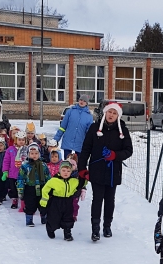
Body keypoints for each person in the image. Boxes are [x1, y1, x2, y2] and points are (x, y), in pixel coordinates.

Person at [78, 101, 133, 242]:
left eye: (114, 113)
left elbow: (128, 150)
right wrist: (82, 168)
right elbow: (85, 149)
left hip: (113, 171)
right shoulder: (94, 128)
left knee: (110, 200)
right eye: (109, 112)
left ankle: (107, 225)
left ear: (117, 116)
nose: (111, 115)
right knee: (97, 199)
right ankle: (95, 228)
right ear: (105, 112)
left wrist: (115, 155)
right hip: (96, 170)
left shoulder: (123, 131)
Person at [40, 159, 83, 241]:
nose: (66, 172)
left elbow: (81, 183)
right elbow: (45, 190)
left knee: (68, 218)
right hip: (56, 202)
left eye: (68, 171)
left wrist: (84, 177)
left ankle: (67, 233)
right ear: (59, 170)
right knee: (54, 218)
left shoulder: (74, 181)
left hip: (68, 201)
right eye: (63, 170)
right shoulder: (53, 180)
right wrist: (44, 202)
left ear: (71, 172)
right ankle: (51, 229)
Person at [17, 142, 50, 227]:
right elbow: (21, 178)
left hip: (42, 187)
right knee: (30, 205)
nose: (34, 155)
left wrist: (49, 187)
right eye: (32, 153)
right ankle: (29, 220)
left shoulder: (43, 165)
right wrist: (20, 189)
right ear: (28, 154)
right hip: (30, 188)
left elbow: (48, 176)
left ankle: (44, 218)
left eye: (36, 153)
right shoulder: (25, 166)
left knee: (43, 204)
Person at [2, 129, 25, 209]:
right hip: (13, 174)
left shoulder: (27, 150)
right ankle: (14, 200)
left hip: (23, 174)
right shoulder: (10, 149)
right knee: (13, 189)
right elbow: (6, 161)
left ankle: (23, 203)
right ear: (16, 140)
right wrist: (5, 171)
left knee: (22, 189)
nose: (21, 141)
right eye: (19, 140)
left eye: (23, 140)